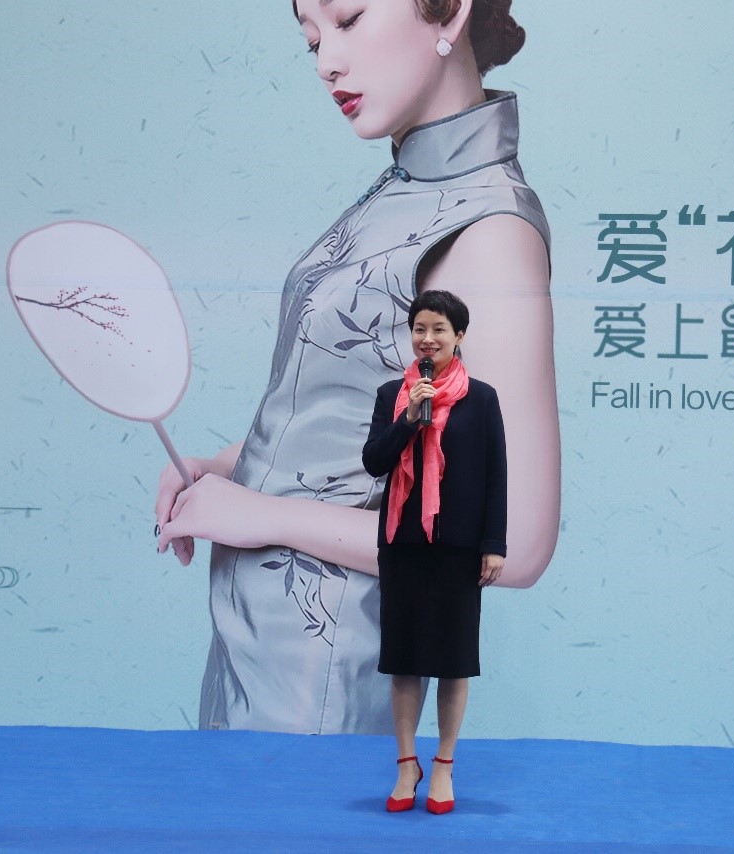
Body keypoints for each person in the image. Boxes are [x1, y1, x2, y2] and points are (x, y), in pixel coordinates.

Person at [154, 0, 558, 735]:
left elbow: (517, 544)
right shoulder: (401, 192)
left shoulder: (489, 230)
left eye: (347, 19)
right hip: (253, 654)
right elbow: (346, 420)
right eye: (310, 39)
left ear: (449, 13)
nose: (326, 63)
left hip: (323, 687)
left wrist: (265, 515)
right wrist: (222, 467)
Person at [362, 290, 501, 814]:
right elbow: (374, 462)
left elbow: (496, 476)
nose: (428, 338)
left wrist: (493, 545)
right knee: (403, 660)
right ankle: (406, 764)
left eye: (439, 329)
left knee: (452, 662)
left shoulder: (481, 399)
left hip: (458, 548)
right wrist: (408, 418)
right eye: (419, 328)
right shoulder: (392, 395)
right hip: (403, 546)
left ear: (458, 336)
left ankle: (443, 765)